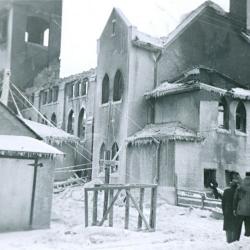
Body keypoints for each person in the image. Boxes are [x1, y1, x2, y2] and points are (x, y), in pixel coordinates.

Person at [233, 172, 250, 240]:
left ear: (245, 175)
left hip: (240, 210)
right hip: (249, 211)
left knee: (238, 226)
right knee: (248, 227)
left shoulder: (240, 185)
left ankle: (236, 239)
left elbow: (235, 198)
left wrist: (234, 208)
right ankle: (247, 241)